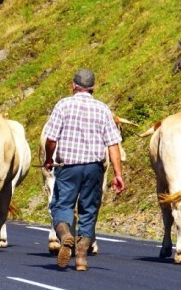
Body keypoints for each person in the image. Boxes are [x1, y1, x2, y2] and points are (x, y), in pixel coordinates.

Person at [43, 69, 125, 271]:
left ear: (73, 86)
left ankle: (65, 236)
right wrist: (118, 174)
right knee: (88, 211)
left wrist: (48, 159)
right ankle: (81, 258)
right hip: (94, 169)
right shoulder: (103, 109)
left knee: (61, 206)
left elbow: (51, 139)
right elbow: (113, 144)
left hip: (69, 168)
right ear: (93, 88)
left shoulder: (63, 105)